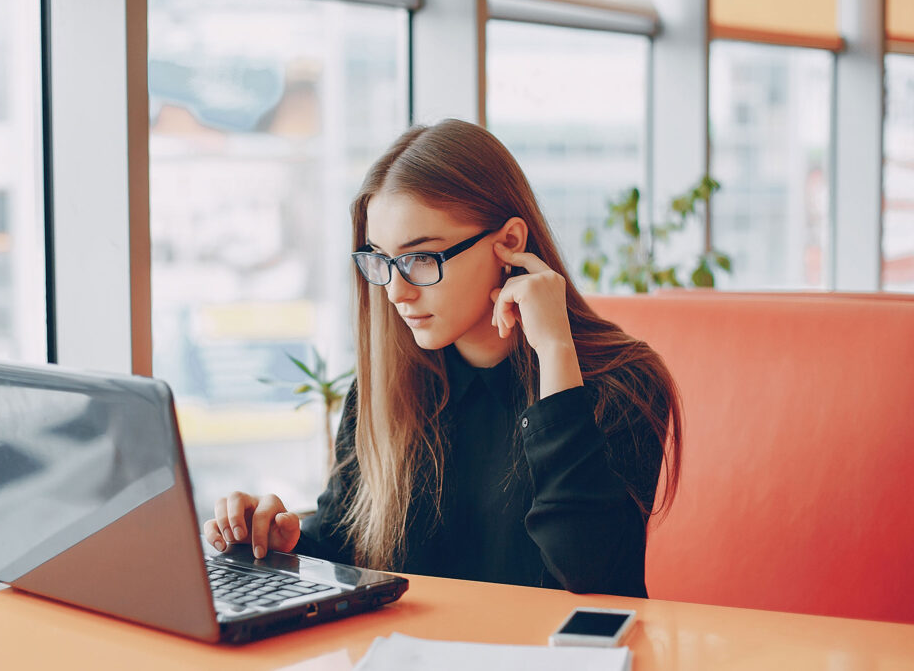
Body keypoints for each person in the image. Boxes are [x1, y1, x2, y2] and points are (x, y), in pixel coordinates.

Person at [203, 119, 682, 598]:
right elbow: (346, 544)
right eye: (381, 261)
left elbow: (589, 573)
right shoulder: (390, 384)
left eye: (420, 259)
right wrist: (276, 540)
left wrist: (555, 352)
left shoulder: (622, 383)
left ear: (510, 242)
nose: (396, 291)